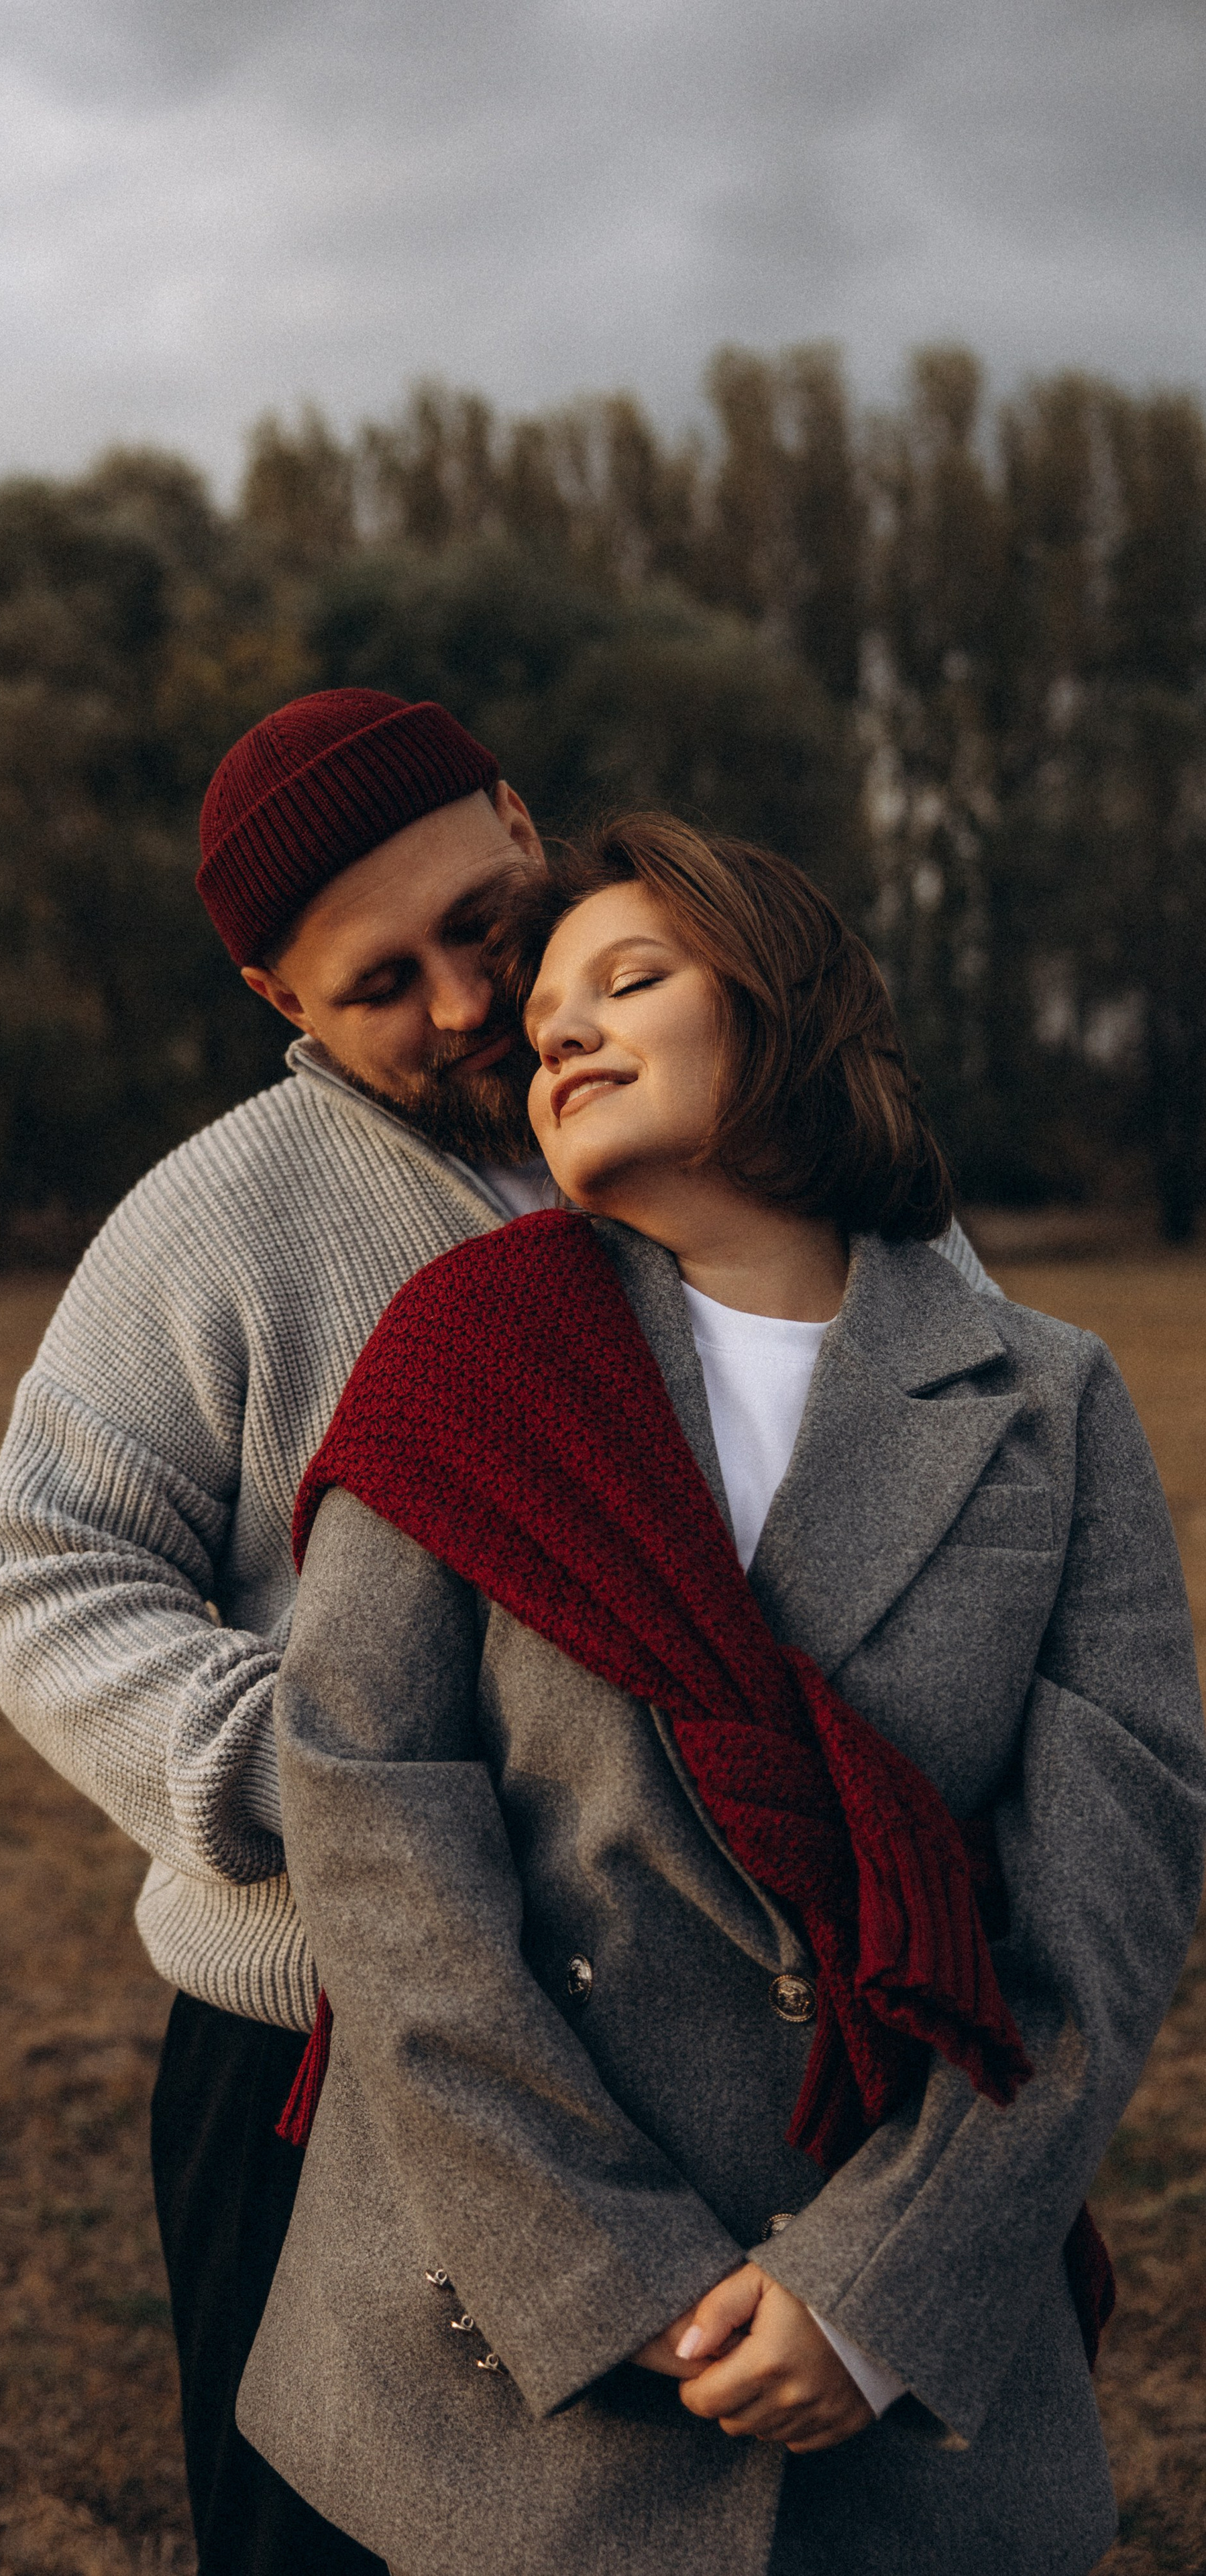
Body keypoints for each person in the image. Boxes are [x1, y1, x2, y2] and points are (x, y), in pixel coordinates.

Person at [0, 695, 997, 2575]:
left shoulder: (769, 1128)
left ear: (526, 818)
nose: (462, 1003)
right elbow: (48, 1572)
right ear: (277, 997)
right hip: (333, 2064)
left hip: (776, 2026)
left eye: (485, 922)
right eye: (378, 983)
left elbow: (965, 1466)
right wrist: (342, 1779)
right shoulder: (216, 1223)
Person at [235, 814, 1206, 2575]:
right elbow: (374, 1834)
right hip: (514, 2370)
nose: (562, 1037)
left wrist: (875, 2289)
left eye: (631, 979)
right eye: (543, 1027)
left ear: (781, 1010)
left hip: (896, 2371)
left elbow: (1107, 1899)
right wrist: (605, 2273)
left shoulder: (1045, 1403)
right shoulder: (463, 1358)